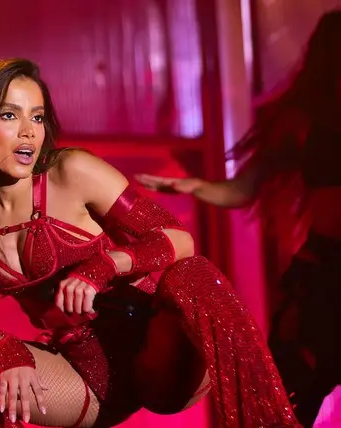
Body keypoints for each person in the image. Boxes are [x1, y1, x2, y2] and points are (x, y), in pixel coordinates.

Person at [0, 58, 298, 428]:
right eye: (9, 115)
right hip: (84, 374)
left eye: (37, 117)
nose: (28, 131)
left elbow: (178, 239)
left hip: (160, 350)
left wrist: (105, 265)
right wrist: (2, 346)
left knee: (193, 275)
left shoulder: (71, 171)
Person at [137, 10, 341, 426]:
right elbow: (241, 190)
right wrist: (196, 186)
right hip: (324, 271)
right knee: (302, 382)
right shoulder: (304, 123)